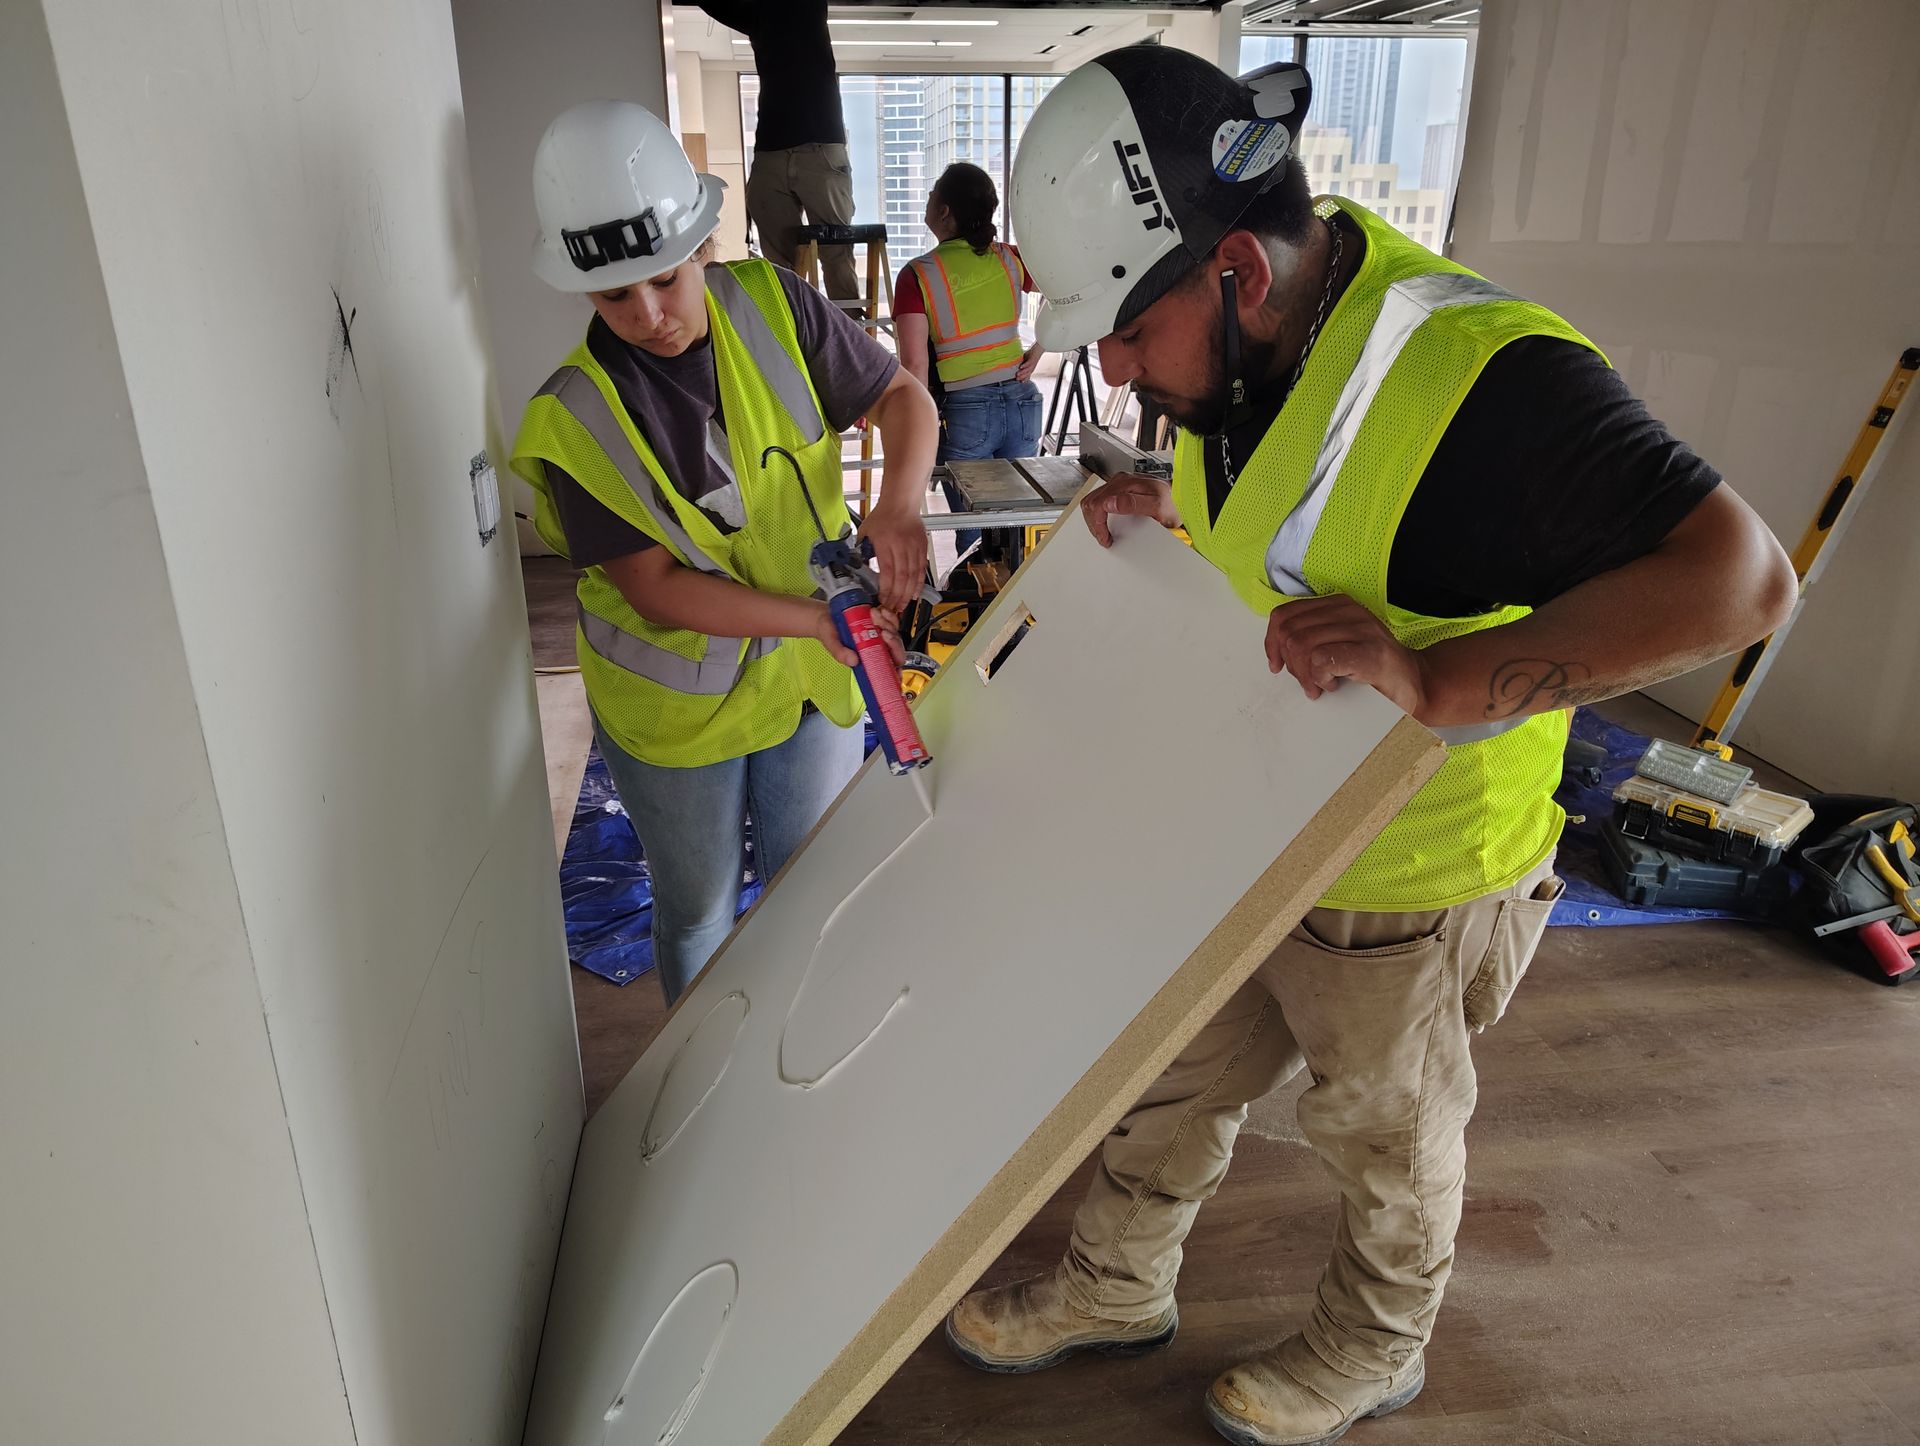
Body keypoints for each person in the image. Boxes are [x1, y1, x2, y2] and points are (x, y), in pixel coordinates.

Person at [944, 47, 1797, 1446]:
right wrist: (1172, 493)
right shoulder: (1243, 362)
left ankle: (1373, 1344)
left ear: (1235, 270)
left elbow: (1743, 579)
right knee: (1174, 1072)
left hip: (1415, 863)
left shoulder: (1484, 378)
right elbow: (1311, 498)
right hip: (1264, 821)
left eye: (1129, 333)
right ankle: (1115, 1284)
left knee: (1386, 1129)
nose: (1111, 366)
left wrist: (1446, 676)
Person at [510, 101, 932, 1005]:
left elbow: (903, 396)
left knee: (802, 891)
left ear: (701, 245)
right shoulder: (574, 418)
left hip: (809, 674)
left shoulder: (776, 305)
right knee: (699, 912)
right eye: (616, 294)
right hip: (678, 710)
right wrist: (811, 620)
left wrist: (897, 505)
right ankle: (700, 1098)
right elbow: (656, 588)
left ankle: (776, 1085)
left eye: (664, 276)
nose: (650, 314)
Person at [895, 162, 1045, 558]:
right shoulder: (1010, 258)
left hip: (966, 412)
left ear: (944, 211)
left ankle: (983, 614)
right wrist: (1042, 346)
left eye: (932, 195)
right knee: (1018, 531)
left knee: (974, 539)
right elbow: (1065, 289)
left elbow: (914, 368)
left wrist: (916, 443)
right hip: (1022, 401)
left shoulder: (918, 275)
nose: (927, 200)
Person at [697, 0, 860, 301]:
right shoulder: (760, 15)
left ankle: (844, 338)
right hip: (777, 151)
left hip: (816, 148)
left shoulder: (805, 6)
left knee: (834, 255)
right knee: (780, 265)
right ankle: (789, 332)